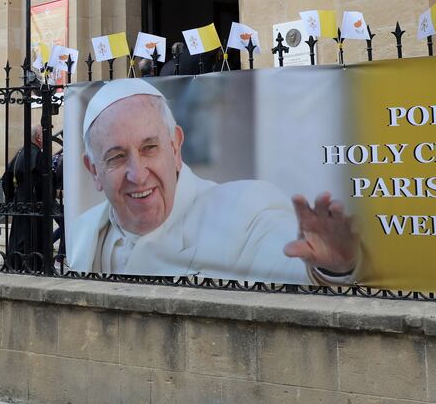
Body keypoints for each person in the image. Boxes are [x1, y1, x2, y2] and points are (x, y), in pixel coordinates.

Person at [68, 79, 359, 284]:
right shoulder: (83, 230)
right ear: (93, 170)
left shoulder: (246, 209)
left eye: (150, 148)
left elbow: (287, 266)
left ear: (176, 147)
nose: (138, 174)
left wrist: (331, 268)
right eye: (117, 157)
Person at [0, 122, 51, 270]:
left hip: (20, 203)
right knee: (31, 240)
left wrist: (12, 198)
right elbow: (44, 182)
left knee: (18, 239)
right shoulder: (39, 156)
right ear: (39, 138)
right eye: (44, 134)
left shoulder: (20, 153)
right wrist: (45, 200)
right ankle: (33, 266)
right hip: (34, 205)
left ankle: (15, 265)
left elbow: (5, 179)